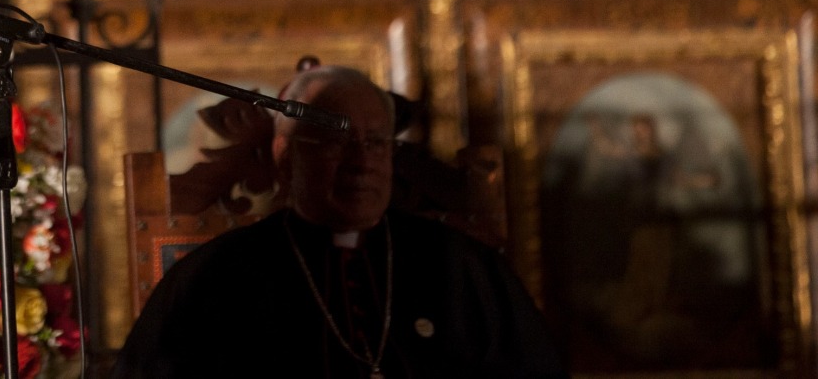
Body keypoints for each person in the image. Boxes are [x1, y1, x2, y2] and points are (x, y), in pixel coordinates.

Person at [112, 65, 569, 379]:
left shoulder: (464, 269)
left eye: (375, 143)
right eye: (335, 142)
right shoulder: (215, 279)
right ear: (285, 157)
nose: (361, 164)